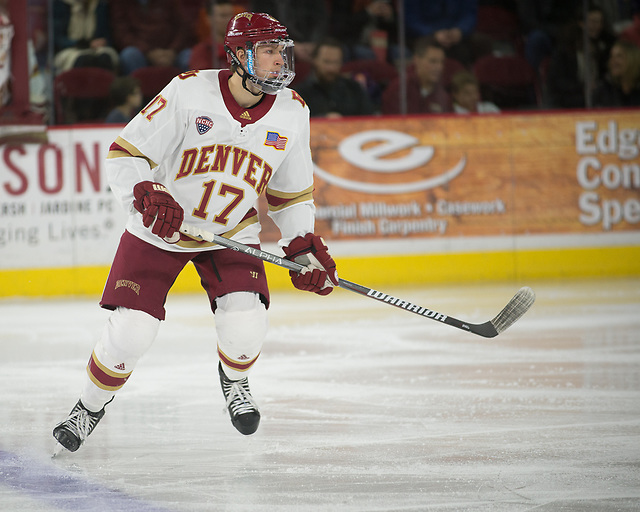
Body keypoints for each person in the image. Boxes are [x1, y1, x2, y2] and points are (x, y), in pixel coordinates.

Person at [52, 11, 339, 452]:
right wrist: (146, 193)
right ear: (238, 56)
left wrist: (301, 246)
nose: (279, 62)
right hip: (161, 229)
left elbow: (292, 196)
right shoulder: (189, 92)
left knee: (246, 325)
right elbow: (124, 154)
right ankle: (89, 407)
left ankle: (235, 381)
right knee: (131, 333)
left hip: (232, 230)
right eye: (267, 52)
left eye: (282, 52)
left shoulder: (293, 112)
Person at [294, 38, 374, 118]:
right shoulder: (300, 94)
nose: (331, 68)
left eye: (336, 62)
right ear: (315, 61)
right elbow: (296, 123)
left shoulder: (354, 89)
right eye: (327, 62)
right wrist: (323, 118)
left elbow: (369, 120)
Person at [109, 0, 193, 75]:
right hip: (141, 51)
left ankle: (190, 91)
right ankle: (136, 91)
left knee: (190, 57)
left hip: (171, 51)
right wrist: (148, 52)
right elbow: (122, 34)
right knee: (129, 55)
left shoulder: (171, 2)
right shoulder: (120, 3)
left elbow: (183, 28)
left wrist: (172, 50)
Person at [382, 37, 451, 115]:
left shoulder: (443, 96)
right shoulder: (399, 90)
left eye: (441, 62)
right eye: (433, 61)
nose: (439, 67)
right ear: (416, 60)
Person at [52, 0, 118, 74]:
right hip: (70, 47)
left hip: (95, 47)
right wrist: (83, 43)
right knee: (84, 59)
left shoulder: (100, 5)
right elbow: (58, 39)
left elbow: (106, 35)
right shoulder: (61, 4)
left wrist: (102, 41)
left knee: (105, 57)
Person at [189, 0, 236, 70]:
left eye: (231, 15)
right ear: (209, 19)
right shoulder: (201, 51)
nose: (229, 20)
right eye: (223, 16)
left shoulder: (243, 47)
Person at [592, 38, 640, 107]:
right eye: (611, 56)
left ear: (632, 59)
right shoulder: (603, 90)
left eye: (619, 56)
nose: (613, 61)